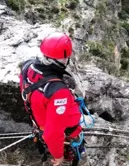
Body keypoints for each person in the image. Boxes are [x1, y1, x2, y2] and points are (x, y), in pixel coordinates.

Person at [19, 32, 92, 166]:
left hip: (40, 125)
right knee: (80, 160)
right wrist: (58, 156)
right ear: (63, 60)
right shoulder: (58, 91)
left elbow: (26, 93)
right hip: (65, 135)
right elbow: (53, 133)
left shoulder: (27, 67)